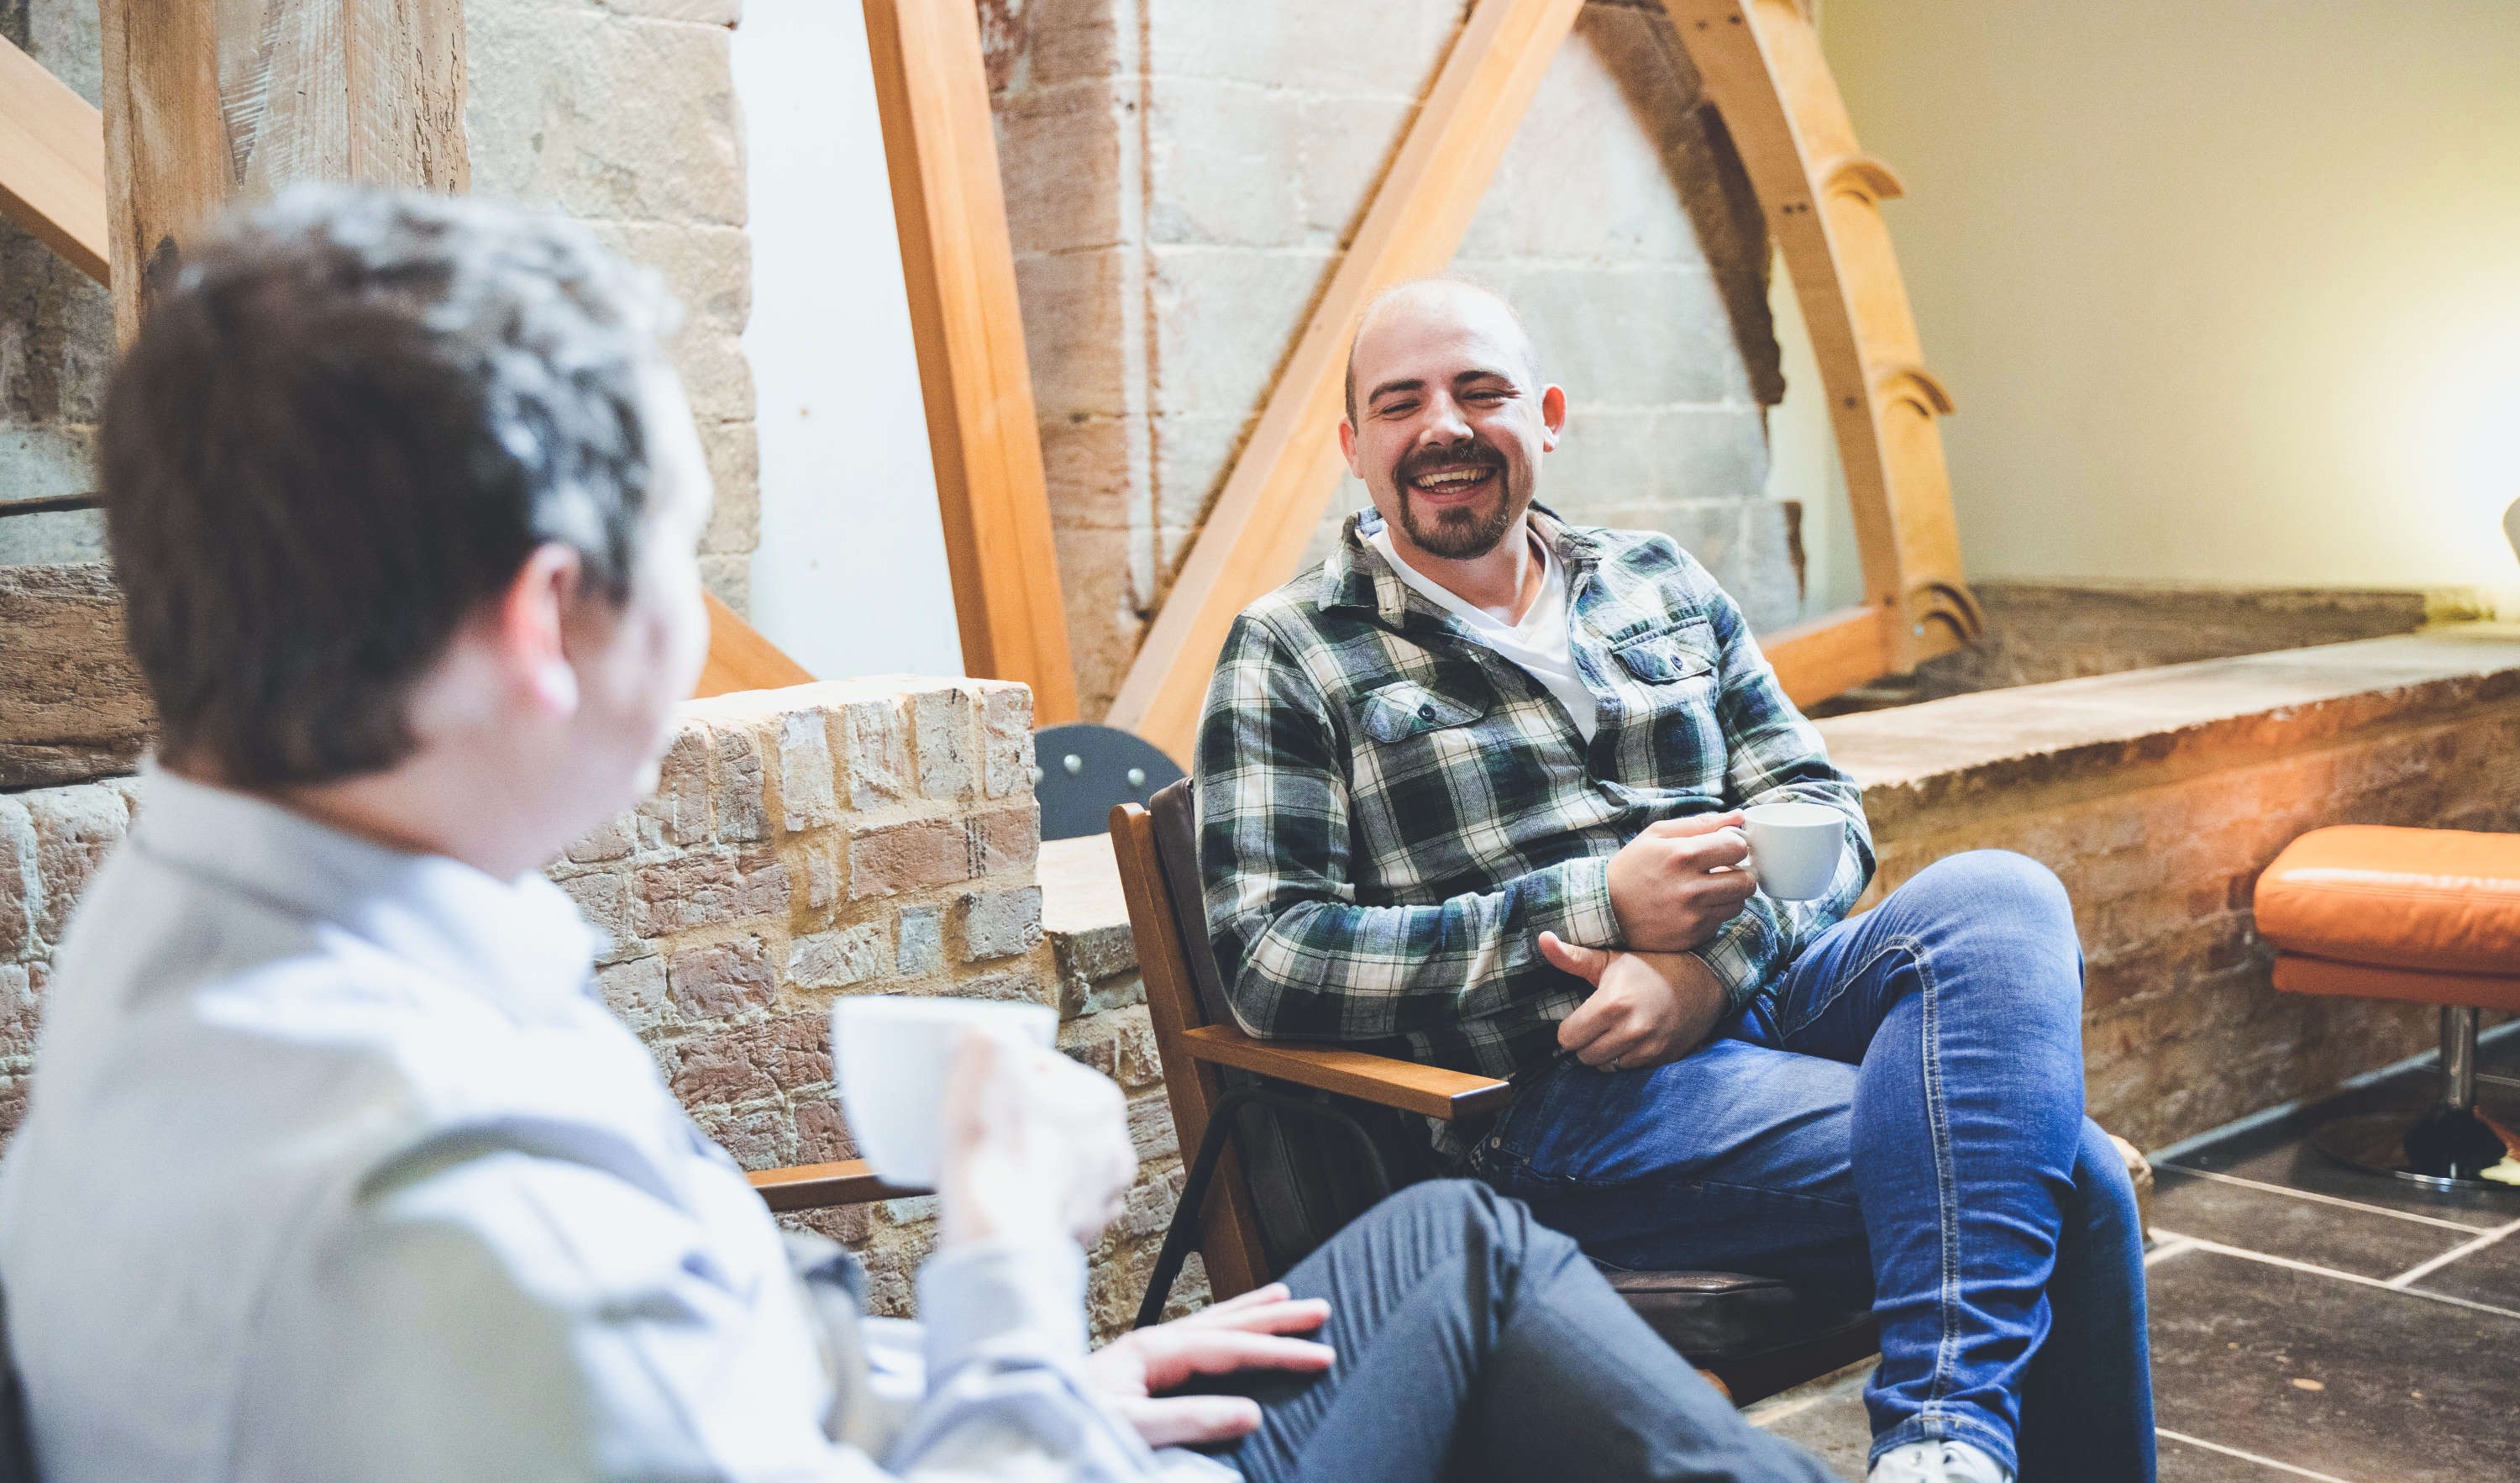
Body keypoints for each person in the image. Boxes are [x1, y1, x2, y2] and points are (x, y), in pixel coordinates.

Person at [0, 189, 1840, 1483]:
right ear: (538, 629)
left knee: (1443, 1248)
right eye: (685, 556)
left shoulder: (191, 940)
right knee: (1485, 1265)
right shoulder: (451, 1210)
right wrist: (1006, 1255)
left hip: (987, 1402)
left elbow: (701, 1371)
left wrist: (1016, 1357)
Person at [1195, 279, 2156, 1483]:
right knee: (2064, 1174)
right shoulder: (1295, 649)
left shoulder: (1658, 581)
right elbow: (1270, 962)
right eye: (1401, 404)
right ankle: (1950, 1443)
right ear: (1356, 448)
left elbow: (1822, 815)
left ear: (1544, 417)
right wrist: (1598, 906)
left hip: (1772, 999)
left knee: (2003, 893)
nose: (1443, 425)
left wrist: (1703, 971)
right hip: (1561, 1094)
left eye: (1479, 391)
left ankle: (1943, 1444)